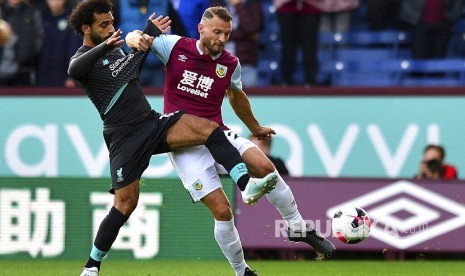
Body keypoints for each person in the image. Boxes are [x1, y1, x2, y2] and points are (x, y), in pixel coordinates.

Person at [66, 1, 278, 275]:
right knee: (125, 205)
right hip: (123, 136)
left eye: (111, 22)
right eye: (103, 25)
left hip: (150, 123)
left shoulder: (115, 49)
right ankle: (91, 267)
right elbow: (73, 69)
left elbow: (129, 69)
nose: (110, 29)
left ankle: (246, 184)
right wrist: (108, 46)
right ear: (86, 28)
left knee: (209, 128)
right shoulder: (84, 59)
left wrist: (146, 37)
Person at [126, 6, 335, 276]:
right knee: (223, 211)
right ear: (201, 29)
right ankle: (241, 271)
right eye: (216, 32)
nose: (222, 38)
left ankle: (296, 225)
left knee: (266, 168)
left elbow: (236, 97)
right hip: (185, 145)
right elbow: (132, 37)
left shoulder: (230, 63)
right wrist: (137, 39)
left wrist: (254, 127)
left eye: (227, 33)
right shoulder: (174, 46)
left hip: (218, 135)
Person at [273, 0, 321, 86]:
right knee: (288, 46)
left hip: (310, 7)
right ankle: (286, 81)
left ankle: (310, 81)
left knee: (309, 47)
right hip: (286, 7)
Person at [36, 0, 81, 87]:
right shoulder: (41, 17)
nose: (55, 2)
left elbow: (74, 49)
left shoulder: (72, 19)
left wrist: (71, 77)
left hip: (63, 75)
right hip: (42, 74)